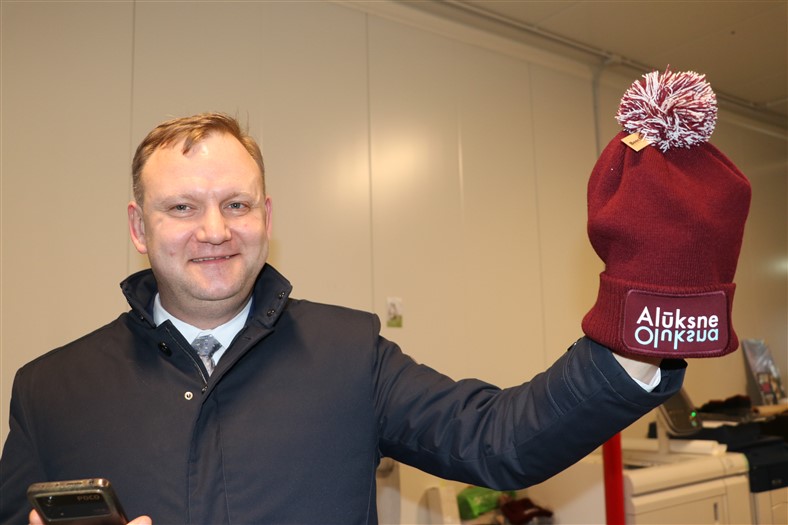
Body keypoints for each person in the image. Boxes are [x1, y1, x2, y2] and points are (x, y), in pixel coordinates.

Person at [1, 109, 692, 525]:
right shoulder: (48, 389)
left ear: (267, 216)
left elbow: (498, 438)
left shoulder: (348, 352)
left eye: (237, 204)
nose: (214, 230)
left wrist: (640, 332)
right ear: (138, 226)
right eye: (181, 207)